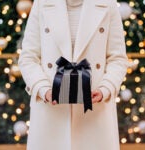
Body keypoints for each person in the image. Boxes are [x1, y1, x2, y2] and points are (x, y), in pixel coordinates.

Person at [18, 0, 129, 149]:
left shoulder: (107, 3)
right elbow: (28, 58)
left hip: (94, 113)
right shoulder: (42, 3)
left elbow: (118, 58)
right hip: (50, 113)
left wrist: (105, 89)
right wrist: (43, 89)